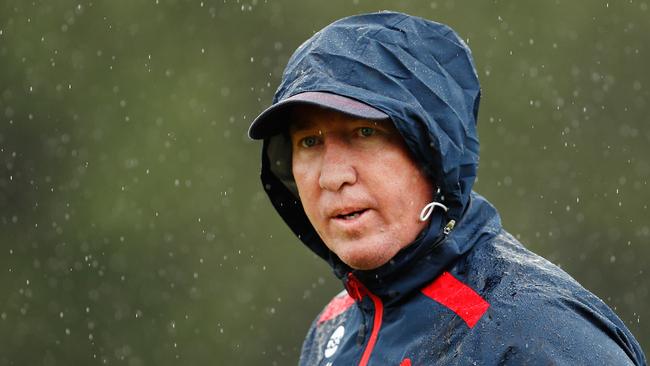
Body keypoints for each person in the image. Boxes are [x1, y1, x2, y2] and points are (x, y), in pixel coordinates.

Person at [248, 11, 647, 366]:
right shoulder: (330, 332)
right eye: (309, 142)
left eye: (365, 132)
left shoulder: (534, 332)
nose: (332, 176)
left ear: (434, 151)